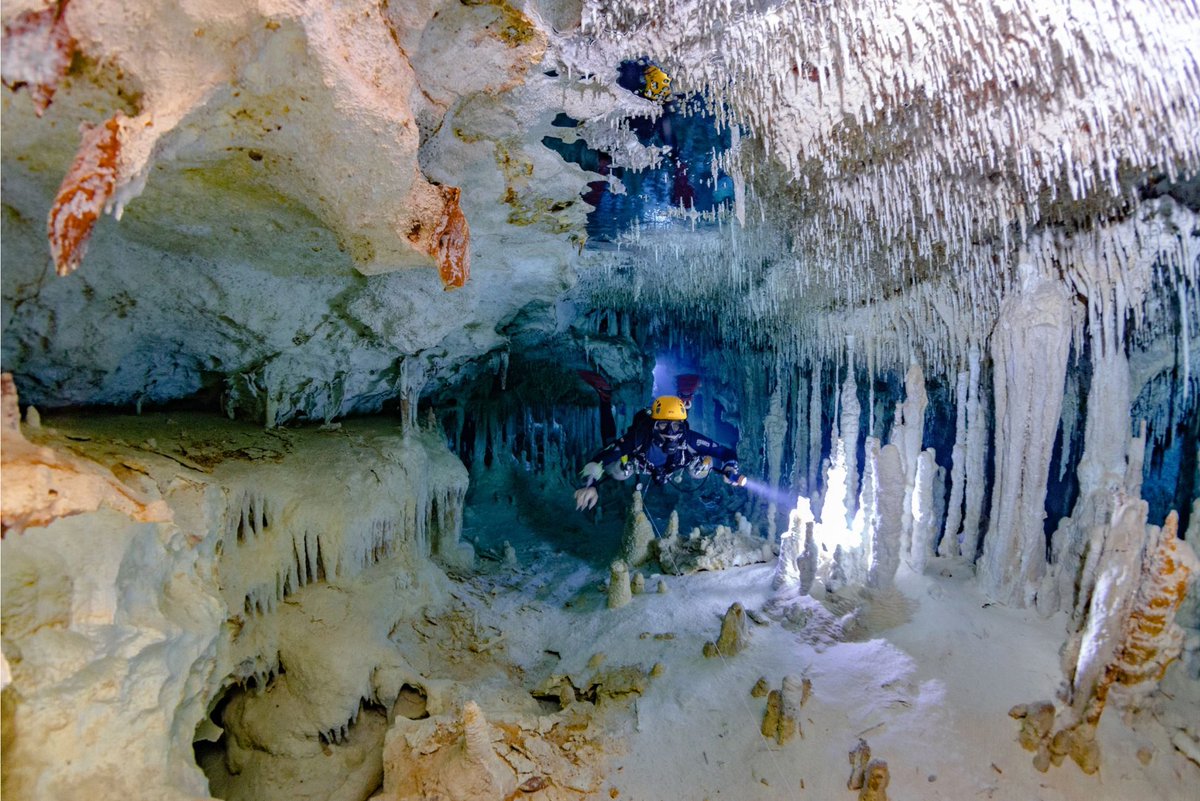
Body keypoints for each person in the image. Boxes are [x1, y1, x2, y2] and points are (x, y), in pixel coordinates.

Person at [574, 394, 745, 511]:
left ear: (682, 426)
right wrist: (590, 485)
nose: (670, 432)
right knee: (619, 471)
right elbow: (602, 457)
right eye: (663, 425)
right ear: (653, 425)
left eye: (676, 426)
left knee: (700, 471)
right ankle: (605, 399)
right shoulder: (639, 438)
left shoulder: (690, 439)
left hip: (677, 465)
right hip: (640, 464)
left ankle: (685, 399)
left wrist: (730, 468)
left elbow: (726, 452)